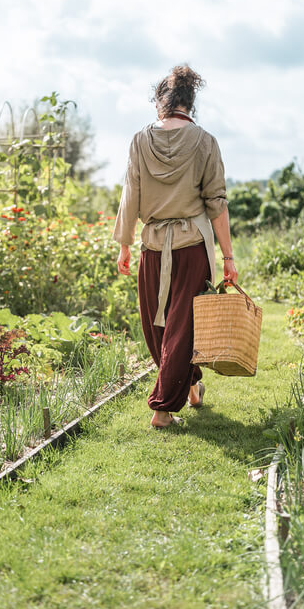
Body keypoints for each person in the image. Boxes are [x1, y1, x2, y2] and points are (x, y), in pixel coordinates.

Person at [113, 65, 238, 429]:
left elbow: (129, 194)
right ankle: (192, 382)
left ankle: (162, 408)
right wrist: (228, 256)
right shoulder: (206, 141)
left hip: (154, 247)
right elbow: (217, 202)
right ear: (190, 104)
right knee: (172, 327)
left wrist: (124, 246)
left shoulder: (139, 140)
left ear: (160, 102)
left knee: (171, 328)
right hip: (192, 247)